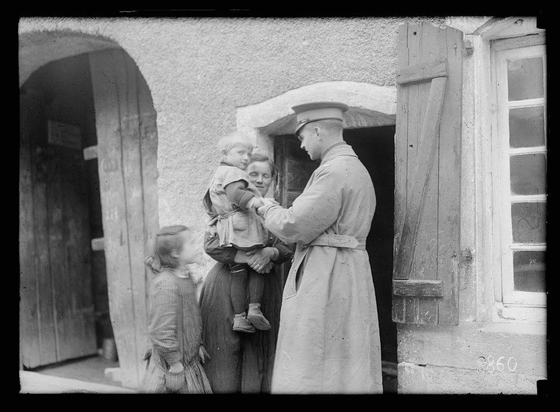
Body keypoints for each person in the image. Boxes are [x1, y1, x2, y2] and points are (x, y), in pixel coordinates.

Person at [256, 102, 383, 394]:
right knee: (346, 352)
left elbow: (294, 225)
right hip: (348, 268)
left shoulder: (333, 171)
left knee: (312, 356)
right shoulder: (354, 167)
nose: (301, 145)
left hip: (327, 270)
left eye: (302, 137)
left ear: (316, 131)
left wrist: (266, 208)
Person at [199, 153, 294, 393]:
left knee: (258, 348)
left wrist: (270, 253)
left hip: (262, 289)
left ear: (273, 180)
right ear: (241, 178)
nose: (260, 180)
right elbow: (210, 246)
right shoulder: (226, 212)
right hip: (225, 284)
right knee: (226, 349)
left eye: (266, 175)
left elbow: (289, 247)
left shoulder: (274, 210)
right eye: (253, 175)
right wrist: (246, 257)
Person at [202, 131, 270, 334]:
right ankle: (254, 308)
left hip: (228, 230)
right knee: (256, 262)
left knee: (238, 270)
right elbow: (236, 194)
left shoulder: (218, 173)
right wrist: (258, 203)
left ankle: (239, 317)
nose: (246, 158)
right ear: (224, 153)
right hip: (241, 225)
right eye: (241, 152)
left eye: (249, 153)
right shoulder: (232, 173)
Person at [140, 225, 212, 394]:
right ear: (175, 253)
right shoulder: (166, 284)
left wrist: (197, 344)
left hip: (189, 364)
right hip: (173, 371)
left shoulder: (185, 278)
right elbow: (160, 330)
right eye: (191, 243)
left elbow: (190, 318)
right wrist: (175, 363)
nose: (196, 247)